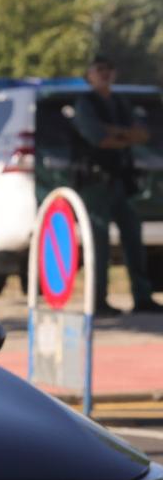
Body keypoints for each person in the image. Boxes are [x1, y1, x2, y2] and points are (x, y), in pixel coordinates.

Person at [73, 55, 160, 315]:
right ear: (89, 75)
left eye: (109, 69)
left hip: (121, 180)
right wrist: (123, 134)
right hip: (95, 182)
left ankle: (142, 297)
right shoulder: (85, 103)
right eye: (99, 69)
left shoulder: (121, 102)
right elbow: (98, 138)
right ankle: (97, 300)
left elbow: (142, 134)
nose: (105, 73)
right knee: (98, 243)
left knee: (134, 238)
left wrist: (114, 131)